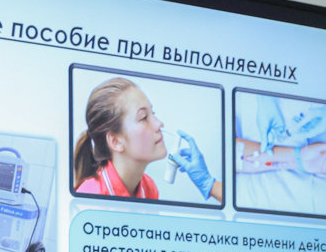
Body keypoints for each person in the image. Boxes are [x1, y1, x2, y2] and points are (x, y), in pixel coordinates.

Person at [72, 76, 223, 203]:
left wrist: (209, 184)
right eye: (144, 117)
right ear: (116, 141)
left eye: (153, 113)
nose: (159, 124)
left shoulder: (148, 188)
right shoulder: (90, 198)